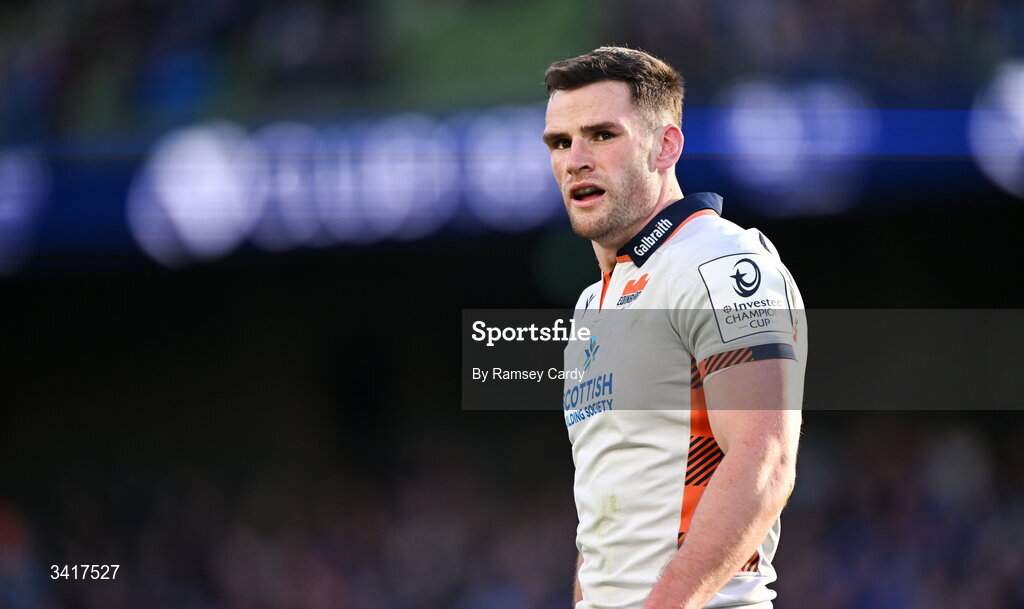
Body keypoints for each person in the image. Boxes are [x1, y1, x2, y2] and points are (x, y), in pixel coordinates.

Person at [543, 47, 808, 609]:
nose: (576, 159)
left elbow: (765, 459)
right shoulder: (594, 302)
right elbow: (605, 514)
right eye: (560, 143)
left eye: (601, 135)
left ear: (666, 146)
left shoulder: (721, 261)